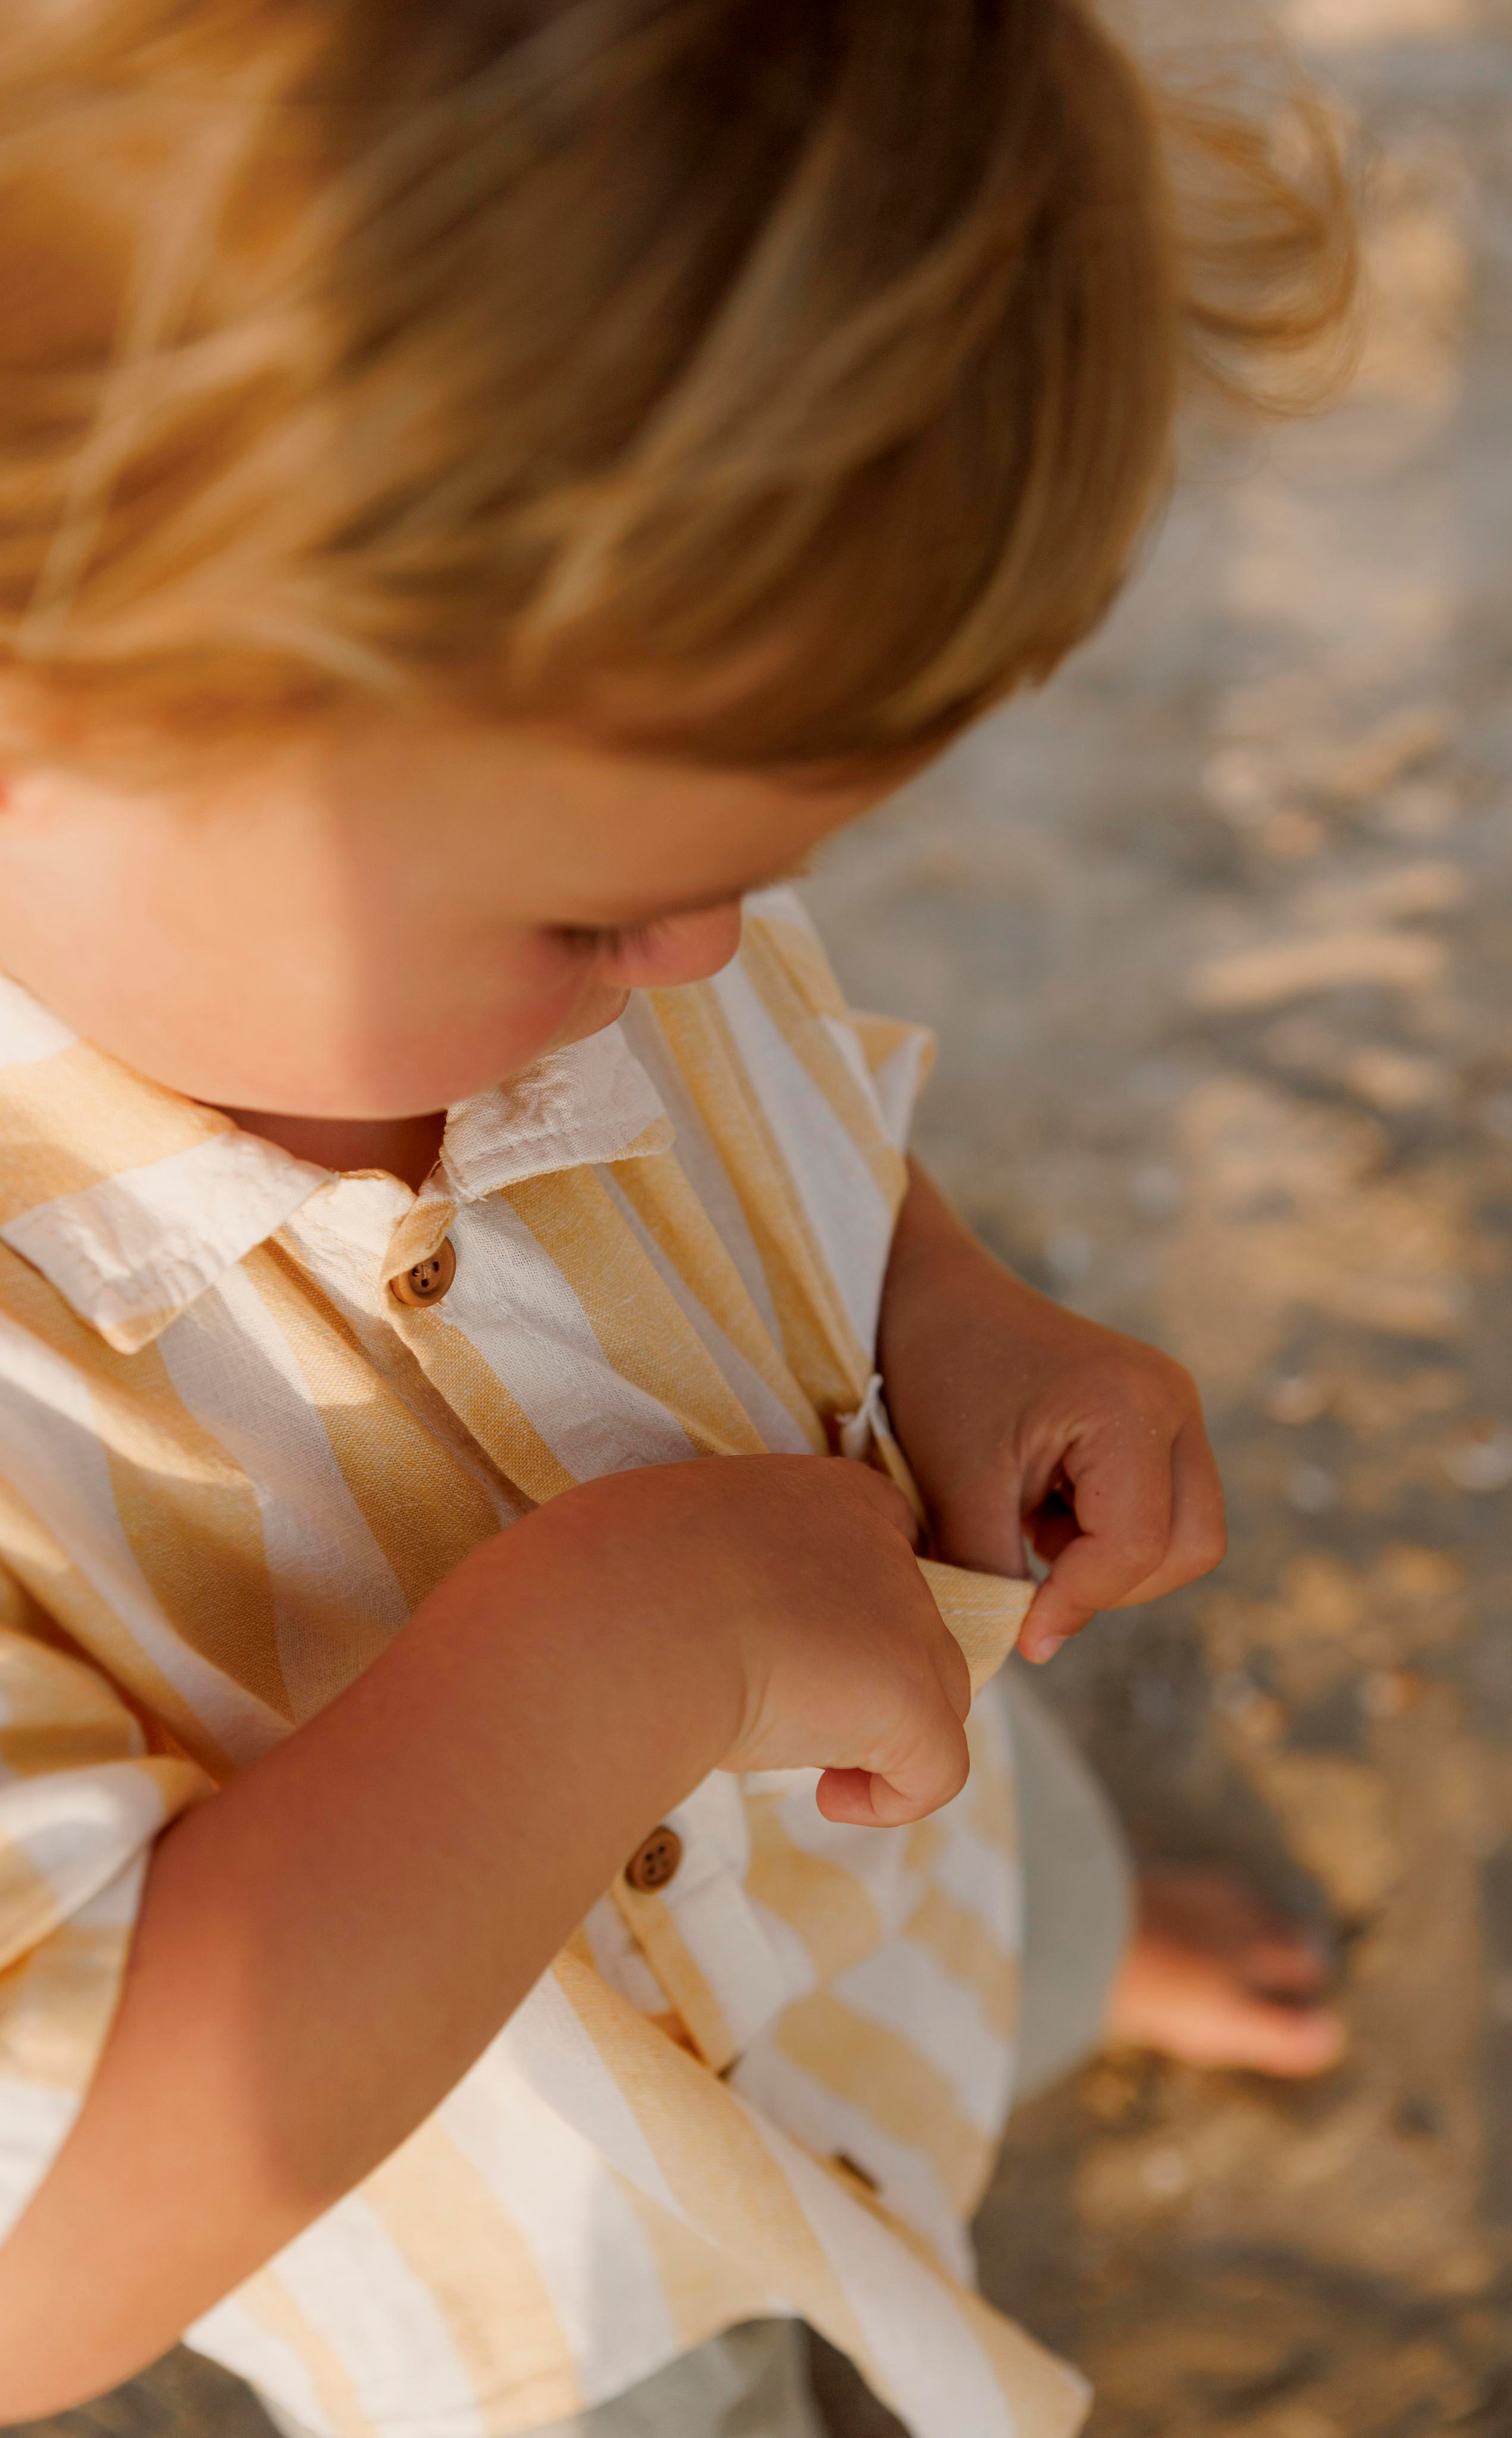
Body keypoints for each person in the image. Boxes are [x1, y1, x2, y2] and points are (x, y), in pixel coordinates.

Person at [0, 4, 1357, 2434]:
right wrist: (609, 1655)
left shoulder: (518, 862)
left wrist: (943, 1303)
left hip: (867, 1861)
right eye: (605, 915)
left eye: (758, 878)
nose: (706, 959)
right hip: (554, 2232)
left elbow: (768, 1115)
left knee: (976, 1869)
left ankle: (1048, 1981)